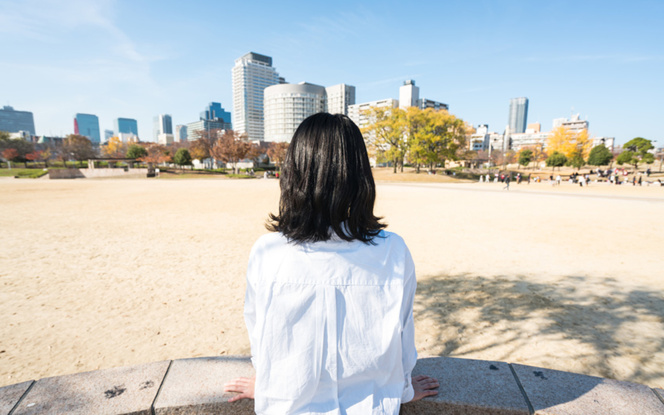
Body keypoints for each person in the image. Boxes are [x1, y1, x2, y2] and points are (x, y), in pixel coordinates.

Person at [223, 113, 438, 414]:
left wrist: (266, 383)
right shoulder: (392, 250)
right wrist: (403, 389)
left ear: (294, 172)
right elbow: (402, 335)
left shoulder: (267, 251)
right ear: (359, 176)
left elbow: (261, 331)